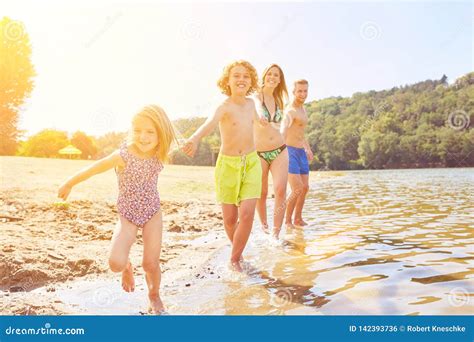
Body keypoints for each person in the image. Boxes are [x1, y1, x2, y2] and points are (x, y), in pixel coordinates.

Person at [58, 105, 177, 314]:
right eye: (138, 130)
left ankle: (154, 295)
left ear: (160, 134)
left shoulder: (159, 153)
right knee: (115, 263)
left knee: (150, 264)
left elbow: (177, 140)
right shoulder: (122, 155)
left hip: (152, 213)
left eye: (150, 132)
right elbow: (93, 169)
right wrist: (69, 183)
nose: (143, 136)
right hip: (127, 215)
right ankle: (127, 267)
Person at [182, 60, 263, 271]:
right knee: (230, 220)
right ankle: (239, 253)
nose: (241, 79)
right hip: (228, 165)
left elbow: (259, 120)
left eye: (246, 76)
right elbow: (208, 123)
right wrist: (195, 138)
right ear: (227, 81)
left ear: (251, 81)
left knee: (246, 214)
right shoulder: (223, 106)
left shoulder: (252, 104)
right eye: (236, 75)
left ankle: (234, 260)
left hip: (251, 163)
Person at [254, 64, 289, 239]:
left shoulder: (280, 99)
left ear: (280, 79)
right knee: (261, 192)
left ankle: (275, 233)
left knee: (281, 189)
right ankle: (264, 225)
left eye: (276, 75)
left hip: (280, 150)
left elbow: (280, 125)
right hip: (259, 152)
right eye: (270, 74)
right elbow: (256, 107)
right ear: (264, 76)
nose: (273, 77)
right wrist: (260, 114)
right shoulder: (256, 96)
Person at [282, 79, 314, 228]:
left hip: (301, 152)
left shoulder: (303, 109)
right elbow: (283, 129)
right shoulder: (290, 111)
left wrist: (307, 148)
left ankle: (298, 219)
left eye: (305, 91)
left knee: (305, 187)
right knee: (297, 188)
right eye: (299, 91)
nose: (303, 94)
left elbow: (301, 132)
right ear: (293, 92)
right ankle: (287, 221)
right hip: (290, 152)